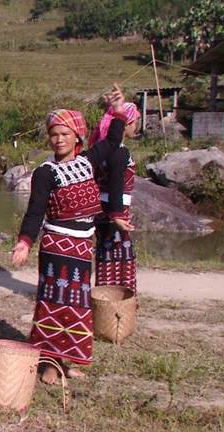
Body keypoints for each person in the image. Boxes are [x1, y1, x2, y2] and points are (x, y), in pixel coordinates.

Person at [12, 84, 132, 383]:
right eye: (54, 134)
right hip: (56, 246)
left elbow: (115, 138)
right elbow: (35, 211)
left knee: (77, 304)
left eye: (64, 134)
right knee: (54, 302)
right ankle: (50, 363)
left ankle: (66, 360)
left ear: (77, 136)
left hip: (82, 246)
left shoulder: (88, 162)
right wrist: (25, 242)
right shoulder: (45, 173)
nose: (59, 139)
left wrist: (118, 110)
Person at [88, 101, 140, 292]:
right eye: (134, 122)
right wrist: (117, 215)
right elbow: (116, 184)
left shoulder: (103, 149)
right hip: (114, 210)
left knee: (106, 255)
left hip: (103, 209)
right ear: (125, 124)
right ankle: (117, 300)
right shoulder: (119, 152)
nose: (136, 126)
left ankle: (105, 295)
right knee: (119, 255)